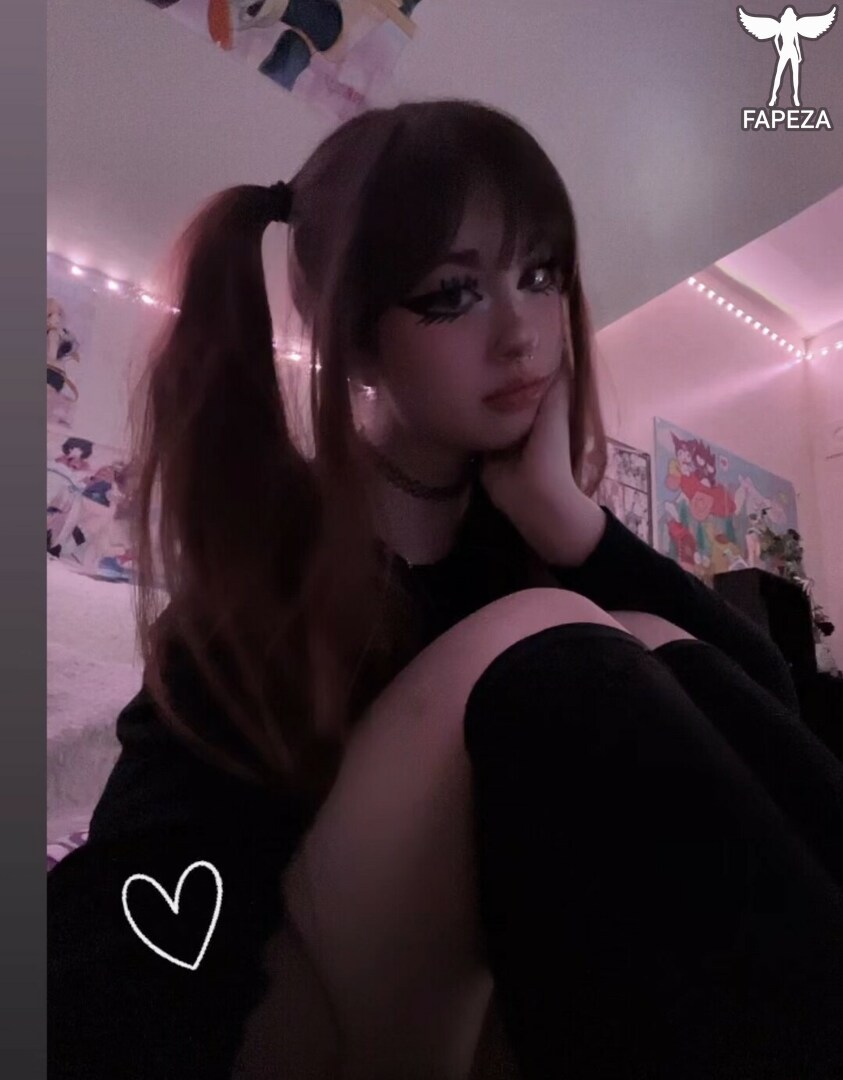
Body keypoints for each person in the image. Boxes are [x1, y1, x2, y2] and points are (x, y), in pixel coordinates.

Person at [47, 99, 843, 1080]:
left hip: (501, 1009)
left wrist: (566, 519)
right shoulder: (277, 575)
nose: (520, 335)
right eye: (453, 293)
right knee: (549, 630)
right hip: (278, 1028)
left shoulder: (538, 561)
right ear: (354, 337)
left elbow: (771, 711)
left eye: (540, 276)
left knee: (617, 629)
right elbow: (126, 931)